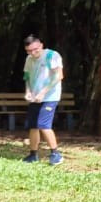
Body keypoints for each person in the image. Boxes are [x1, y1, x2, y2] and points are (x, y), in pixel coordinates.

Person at [22, 34, 64, 165]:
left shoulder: (52, 55)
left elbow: (59, 76)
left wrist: (43, 92)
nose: (33, 53)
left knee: (44, 125)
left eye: (35, 49)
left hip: (50, 96)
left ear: (41, 45)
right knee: (33, 125)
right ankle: (33, 155)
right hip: (35, 97)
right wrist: (28, 92)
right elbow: (27, 77)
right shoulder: (29, 59)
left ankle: (56, 154)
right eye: (29, 51)